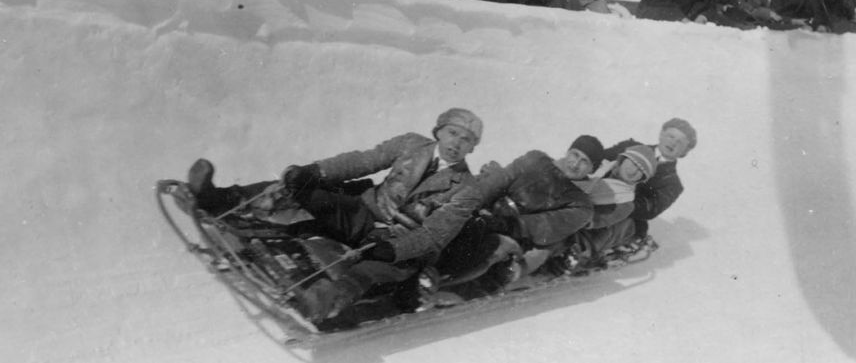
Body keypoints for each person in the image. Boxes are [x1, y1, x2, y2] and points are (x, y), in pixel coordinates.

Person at [179, 108, 485, 323]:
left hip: (401, 244)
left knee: (370, 270)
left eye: (466, 140)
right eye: (453, 133)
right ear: (439, 131)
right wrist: (316, 171)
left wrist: (392, 248)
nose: (456, 143)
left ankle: (326, 301)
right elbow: (363, 161)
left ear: (472, 148)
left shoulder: (467, 187)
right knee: (301, 187)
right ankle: (219, 199)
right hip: (365, 214)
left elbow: (434, 235)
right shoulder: (412, 144)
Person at [468, 135, 604, 278]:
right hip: (488, 210)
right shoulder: (537, 159)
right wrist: (472, 204)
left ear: (591, 170)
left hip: (516, 234)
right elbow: (500, 180)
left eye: (584, 162)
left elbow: (544, 224)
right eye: (575, 155)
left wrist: (505, 225)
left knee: (486, 253)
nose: (575, 164)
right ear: (568, 151)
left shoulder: (581, 204)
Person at [579, 118, 698, 260]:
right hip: (593, 191)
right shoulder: (630, 147)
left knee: (616, 224)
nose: (672, 143)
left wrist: (613, 197)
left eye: (680, 142)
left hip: (624, 215)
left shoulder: (672, 184)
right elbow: (598, 159)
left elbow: (649, 209)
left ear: (685, 151)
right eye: (671, 136)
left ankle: (577, 253)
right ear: (661, 134)